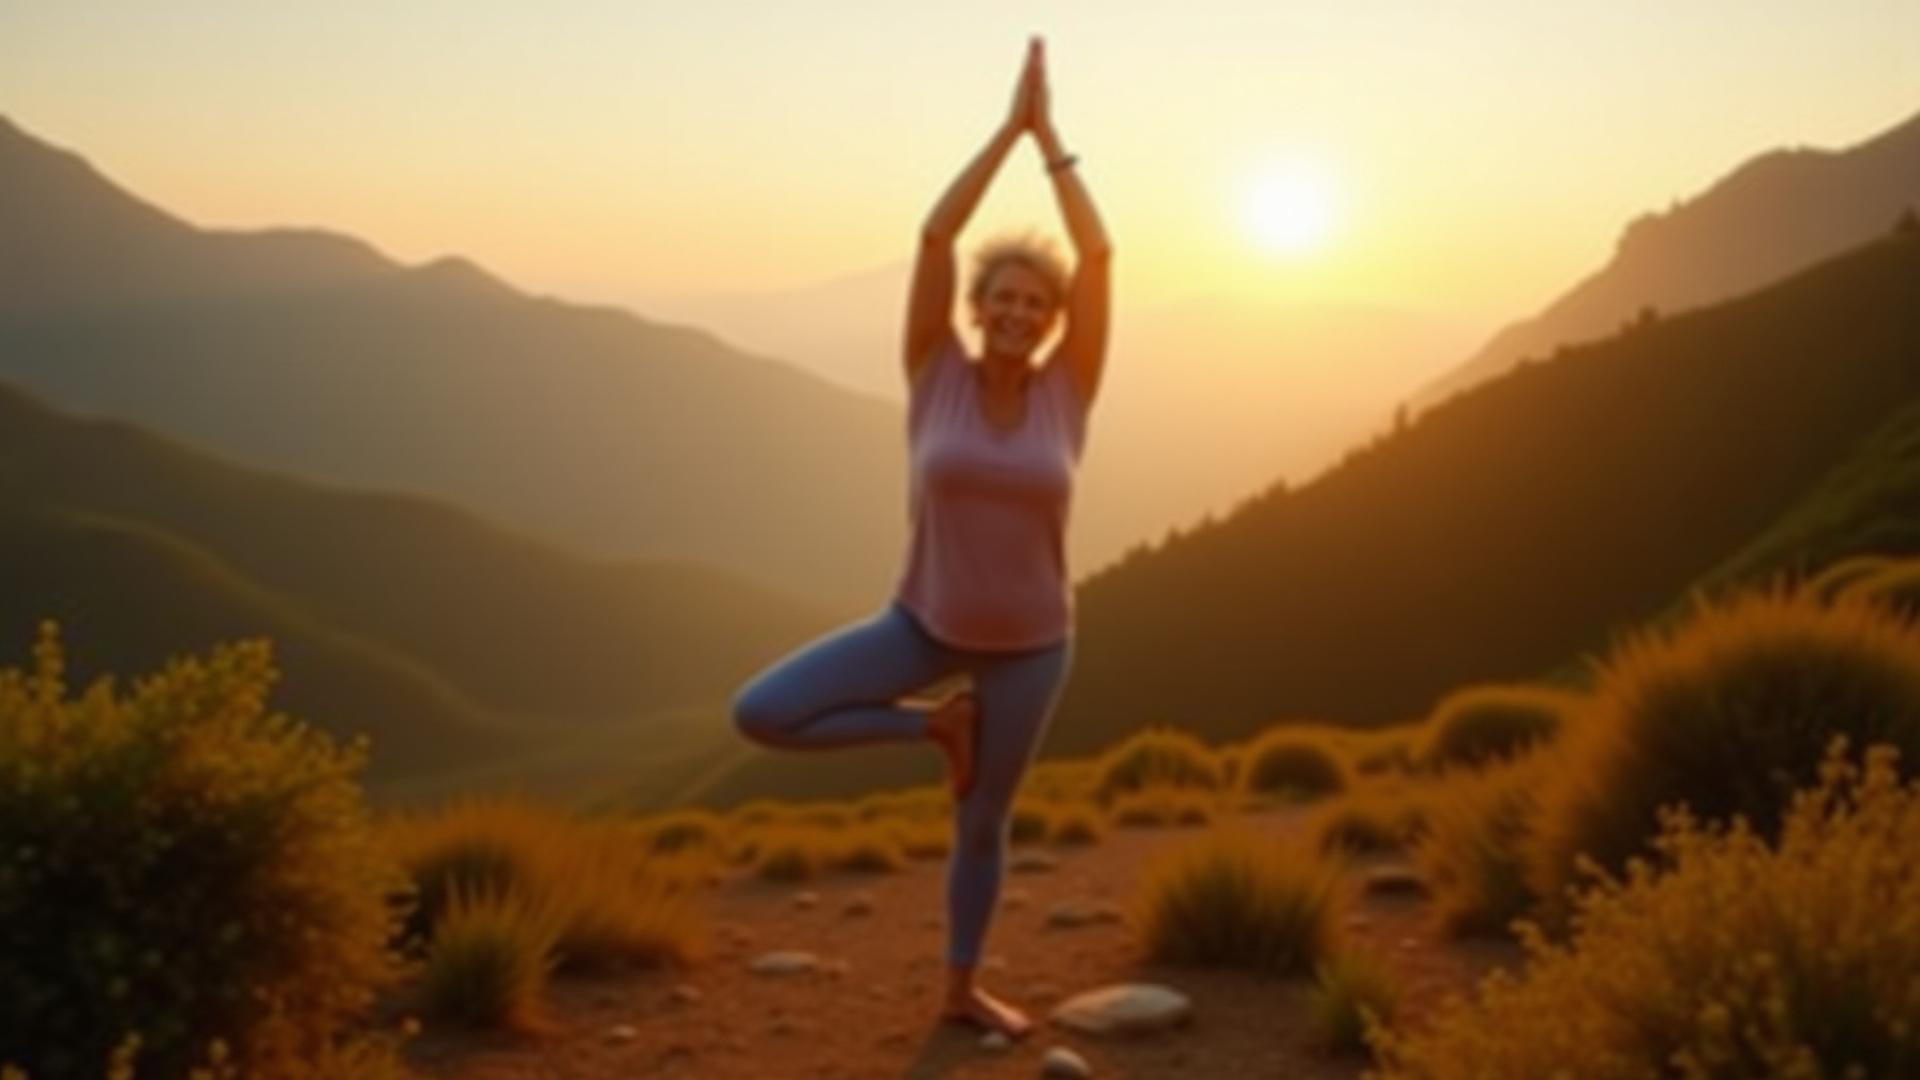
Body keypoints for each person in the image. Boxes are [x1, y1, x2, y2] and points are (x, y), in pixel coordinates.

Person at [731, 33, 1111, 1040]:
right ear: (977, 312)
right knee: (762, 712)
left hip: (1034, 644)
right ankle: (932, 728)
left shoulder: (1069, 392)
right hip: (923, 626)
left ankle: (957, 990)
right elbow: (936, 238)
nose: (1020, 312)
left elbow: (1104, 255)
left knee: (981, 821)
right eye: (1005, 298)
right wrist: (1006, 131)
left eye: (1038, 302)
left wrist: (1054, 145)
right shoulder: (931, 369)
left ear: (1052, 320)